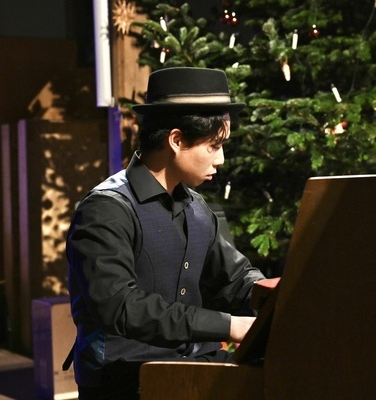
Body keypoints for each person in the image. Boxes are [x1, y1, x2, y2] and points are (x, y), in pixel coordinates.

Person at [66, 67, 266, 399]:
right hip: (126, 377)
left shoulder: (196, 207)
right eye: (214, 146)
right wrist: (230, 325)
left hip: (193, 365)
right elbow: (120, 305)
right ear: (176, 140)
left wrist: (276, 294)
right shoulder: (105, 209)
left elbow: (234, 279)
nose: (221, 159)